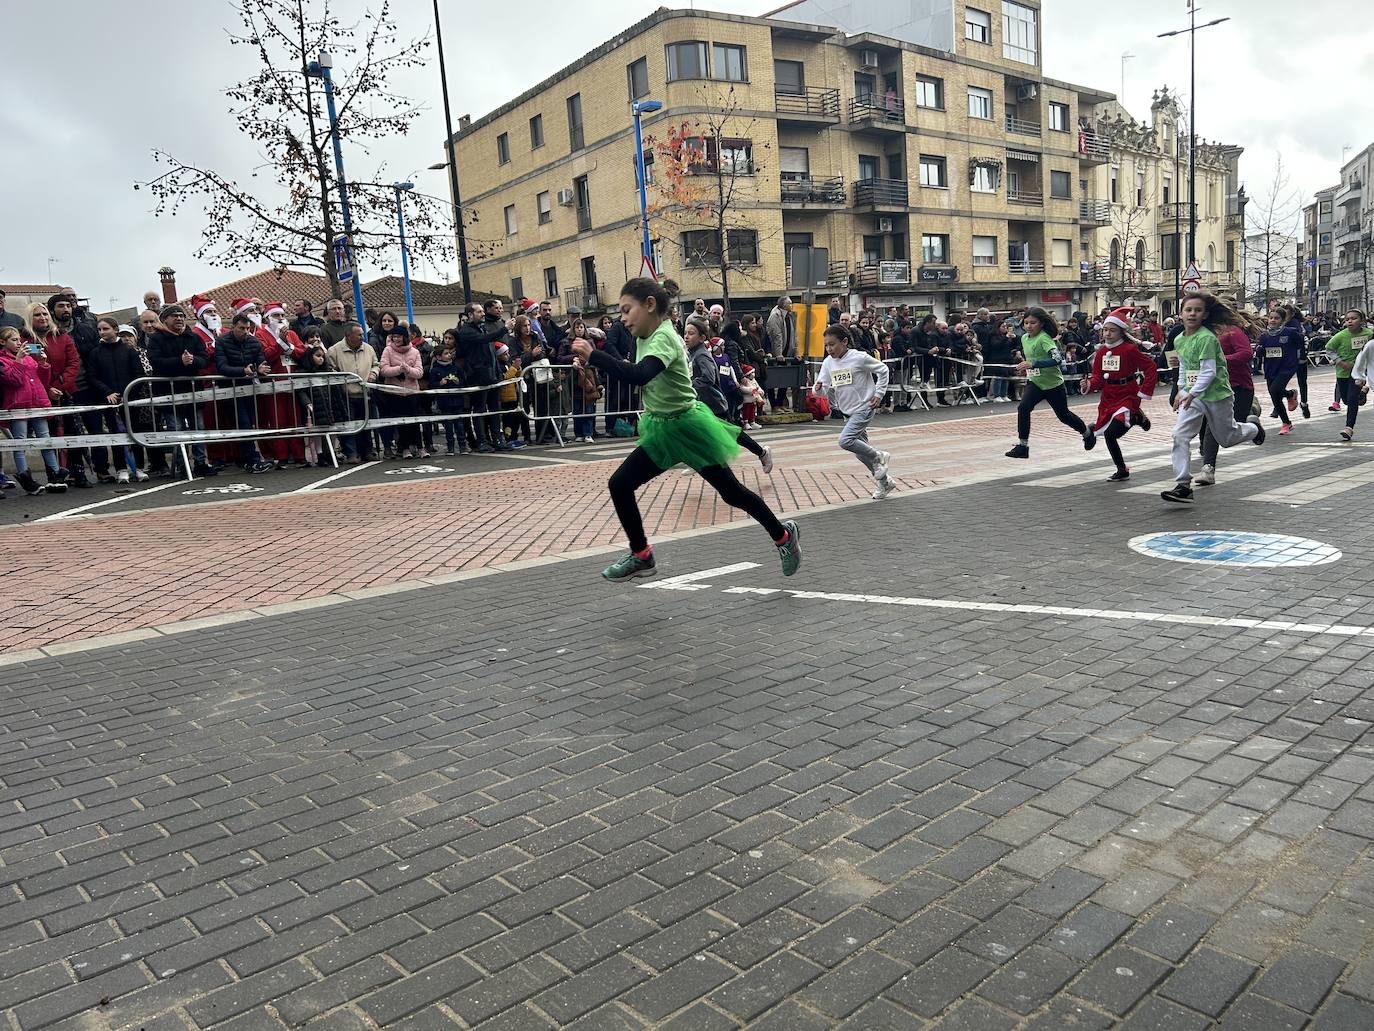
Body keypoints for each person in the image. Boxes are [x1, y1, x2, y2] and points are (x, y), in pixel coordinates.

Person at [572, 278, 800, 582]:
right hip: (662, 429)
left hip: (688, 428)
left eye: (627, 310)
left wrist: (595, 356)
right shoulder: (643, 336)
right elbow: (636, 373)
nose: (622, 318)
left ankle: (783, 536)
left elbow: (640, 375)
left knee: (732, 493)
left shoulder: (663, 337)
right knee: (620, 484)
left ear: (650, 305)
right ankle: (641, 555)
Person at [1161, 292, 1264, 504]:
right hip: (1195, 396)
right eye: (1188, 310)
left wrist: (1191, 393)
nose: (1192, 314)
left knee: (1227, 439)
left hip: (1217, 395)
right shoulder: (1180, 339)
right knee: (1180, 435)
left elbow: (1208, 372)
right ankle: (1183, 486)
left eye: (1197, 310)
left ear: (1205, 315)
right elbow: (1184, 367)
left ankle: (1254, 428)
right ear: (1181, 314)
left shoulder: (1206, 338)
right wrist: (1181, 390)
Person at [813, 323, 895, 499]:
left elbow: (883, 370)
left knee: (845, 441)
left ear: (844, 342)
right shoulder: (828, 363)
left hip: (864, 407)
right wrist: (817, 388)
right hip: (847, 412)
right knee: (861, 453)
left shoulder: (859, 357)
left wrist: (879, 394)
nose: (829, 349)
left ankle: (880, 456)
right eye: (826, 345)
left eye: (832, 344)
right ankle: (885, 482)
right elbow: (822, 389)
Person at [684, 315, 773, 473]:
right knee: (697, 431)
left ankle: (762, 453)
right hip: (702, 403)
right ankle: (700, 460)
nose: (686, 336)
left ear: (702, 337)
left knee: (733, 433)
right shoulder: (693, 353)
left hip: (714, 403)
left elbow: (708, 378)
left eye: (691, 333)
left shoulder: (702, 355)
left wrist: (690, 385)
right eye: (685, 333)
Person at [1005, 307, 1095, 459]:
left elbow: (1057, 359)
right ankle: (1022, 446)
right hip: (1035, 382)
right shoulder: (1024, 338)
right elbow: (1030, 359)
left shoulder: (1044, 338)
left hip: (1053, 384)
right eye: (1026, 323)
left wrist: (1033, 364)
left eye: (1033, 323)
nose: (1029, 326)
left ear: (1041, 323)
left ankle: (1087, 433)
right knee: (1023, 408)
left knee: (1064, 416)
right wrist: (1025, 367)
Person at [1081, 309, 1157, 481]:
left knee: (1111, 433)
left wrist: (1145, 390)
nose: (1107, 334)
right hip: (1109, 397)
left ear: (1121, 332)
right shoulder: (1101, 352)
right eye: (1105, 330)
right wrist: (1089, 385)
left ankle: (1135, 418)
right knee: (1108, 431)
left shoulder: (1129, 349)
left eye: (1112, 330)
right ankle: (1122, 469)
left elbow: (1150, 366)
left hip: (1128, 395)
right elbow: (1098, 378)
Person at [145, 303, 217, 478]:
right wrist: (179, 362)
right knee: (175, 429)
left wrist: (193, 361)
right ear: (165, 320)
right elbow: (155, 361)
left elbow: (204, 359)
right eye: (175, 316)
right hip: (168, 393)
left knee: (198, 427)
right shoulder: (157, 339)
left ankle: (200, 463)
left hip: (193, 391)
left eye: (182, 316)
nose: (179, 319)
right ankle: (181, 465)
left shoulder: (193, 338)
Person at [0, 326, 68, 494]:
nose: (19, 343)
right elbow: (13, 380)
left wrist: (43, 364)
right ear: (2, 342)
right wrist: (19, 360)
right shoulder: (2, 360)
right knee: (20, 442)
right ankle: (25, 477)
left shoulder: (30, 358)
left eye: (19, 340)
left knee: (45, 439)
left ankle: (55, 474)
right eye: (14, 340)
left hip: (37, 403)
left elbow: (42, 380)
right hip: (18, 406)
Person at [84, 317, 145, 483]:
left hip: (130, 399)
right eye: (99, 330)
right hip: (109, 401)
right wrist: (108, 392)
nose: (102, 332)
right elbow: (92, 376)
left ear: (115, 329)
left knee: (134, 432)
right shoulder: (96, 353)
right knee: (115, 434)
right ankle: (121, 469)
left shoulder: (129, 350)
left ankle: (139, 467)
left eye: (106, 329)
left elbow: (138, 374)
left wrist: (128, 393)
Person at [214, 313, 276, 473]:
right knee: (243, 423)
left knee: (249, 423)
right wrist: (243, 371)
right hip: (230, 390)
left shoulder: (253, 342)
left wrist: (261, 369)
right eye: (241, 328)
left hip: (249, 389)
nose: (245, 332)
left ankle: (247, 458)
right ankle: (252, 460)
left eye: (248, 328)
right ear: (233, 327)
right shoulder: (222, 341)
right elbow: (222, 367)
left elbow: (261, 361)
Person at [456, 301, 507, 452]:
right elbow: (484, 339)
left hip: (492, 374)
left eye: (483, 311)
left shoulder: (483, 328)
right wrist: (505, 329)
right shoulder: (466, 331)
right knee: (479, 409)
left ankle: (497, 439)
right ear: (470, 315)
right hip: (477, 375)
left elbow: (490, 349)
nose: (483, 314)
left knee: (495, 408)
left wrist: (498, 370)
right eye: (479, 312)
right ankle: (482, 441)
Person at [326, 322, 379, 462]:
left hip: (365, 393)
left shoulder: (369, 349)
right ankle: (351, 453)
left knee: (365, 425)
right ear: (349, 336)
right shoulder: (334, 351)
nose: (363, 337)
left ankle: (367, 451)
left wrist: (373, 373)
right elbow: (330, 370)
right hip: (346, 395)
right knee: (348, 425)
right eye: (359, 335)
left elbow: (376, 364)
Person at [378, 325, 425, 459]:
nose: (396, 339)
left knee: (415, 421)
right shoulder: (388, 350)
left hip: (412, 391)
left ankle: (420, 447)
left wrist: (408, 370)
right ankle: (404, 448)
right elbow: (384, 369)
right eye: (394, 337)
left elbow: (419, 372)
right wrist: (398, 369)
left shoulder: (414, 352)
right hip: (395, 392)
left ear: (405, 337)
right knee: (401, 422)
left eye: (398, 336)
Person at [1327, 309, 1372, 440]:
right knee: (1346, 400)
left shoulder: (1369, 334)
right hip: (1343, 372)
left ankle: (1349, 428)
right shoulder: (1340, 336)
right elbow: (1329, 349)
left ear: (1362, 321)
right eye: (1347, 319)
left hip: (1359, 372)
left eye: (1354, 318)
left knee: (1352, 399)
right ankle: (1362, 393)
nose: (1350, 321)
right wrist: (1339, 362)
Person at [1260, 305, 1303, 436]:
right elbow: (1261, 350)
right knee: (1275, 396)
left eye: (1276, 318)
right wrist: (1259, 351)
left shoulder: (1290, 332)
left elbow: (1300, 343)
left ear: (1283, 320)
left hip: (1286, 367)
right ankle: (1286, 423)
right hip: (1270, 368)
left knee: (1275, 389)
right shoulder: (1264, 335)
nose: (1273, 320)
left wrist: (1301, 358)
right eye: (1271, 318)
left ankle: (1290, 394)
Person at [428, 332, 467, 455]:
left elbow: (463, 381)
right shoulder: (435, 370)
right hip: (444, 402)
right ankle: (450, 447)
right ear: (438, 357)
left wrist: (458, 382)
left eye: (449, 353)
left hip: (457, 400)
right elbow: (431, 385)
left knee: (459, 424)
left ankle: (462, 446)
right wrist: (439, 383)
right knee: (448, 425)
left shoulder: (455, 367)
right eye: (446, 353)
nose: (449, 355)